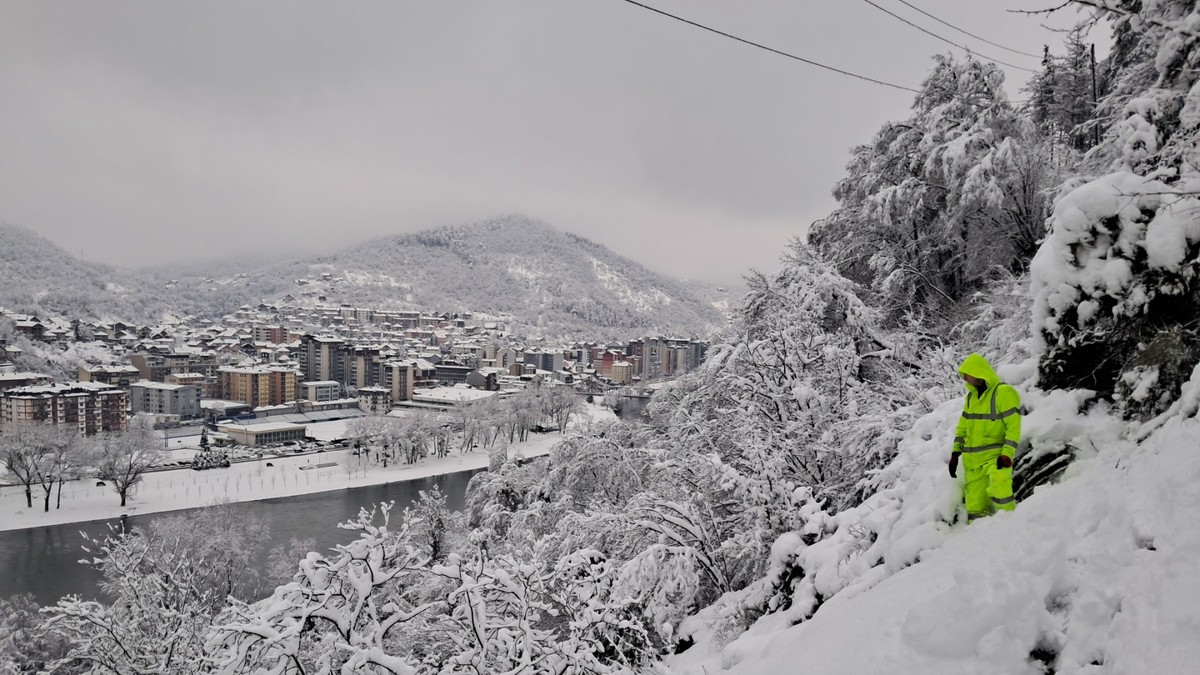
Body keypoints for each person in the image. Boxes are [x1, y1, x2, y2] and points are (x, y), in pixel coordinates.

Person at [948, 353, 1021, 522]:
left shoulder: (1003, 393)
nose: (964, 378)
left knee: (1001, 489)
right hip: (972, 462)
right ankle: (978, 542)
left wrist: (1007, 454)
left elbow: (1013, 427)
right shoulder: (971, 398)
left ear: (978, 372)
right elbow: (963, 427)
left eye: (967, 374)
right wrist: (955, 454)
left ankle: (1013, 525)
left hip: (995, 458)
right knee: (975, 509)